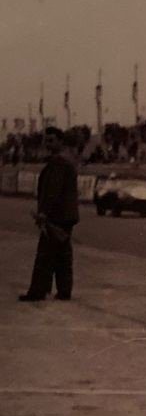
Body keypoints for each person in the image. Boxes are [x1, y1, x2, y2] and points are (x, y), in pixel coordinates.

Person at [19, 128, 79, 302]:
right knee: (62, 255)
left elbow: (52, 191)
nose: (48, 144)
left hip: (56, 217)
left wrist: (43, 213)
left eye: (51, 140)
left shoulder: (58, 163)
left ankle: (37, 292)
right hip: (66, 216)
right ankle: (64, 291)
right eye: (47, 140)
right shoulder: (66, 161)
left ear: (60, 141)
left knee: (45, 255)